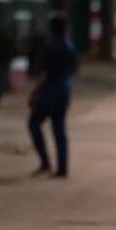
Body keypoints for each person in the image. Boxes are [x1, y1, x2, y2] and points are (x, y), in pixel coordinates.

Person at [28, 12, 76, 178]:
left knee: (34, 124)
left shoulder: (52, 46)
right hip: (63, 91)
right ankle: (62, 168)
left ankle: (45, 161)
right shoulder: (68, 45)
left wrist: (33, 93)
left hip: (49, 92)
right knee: (59, 130)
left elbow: (46, 73)